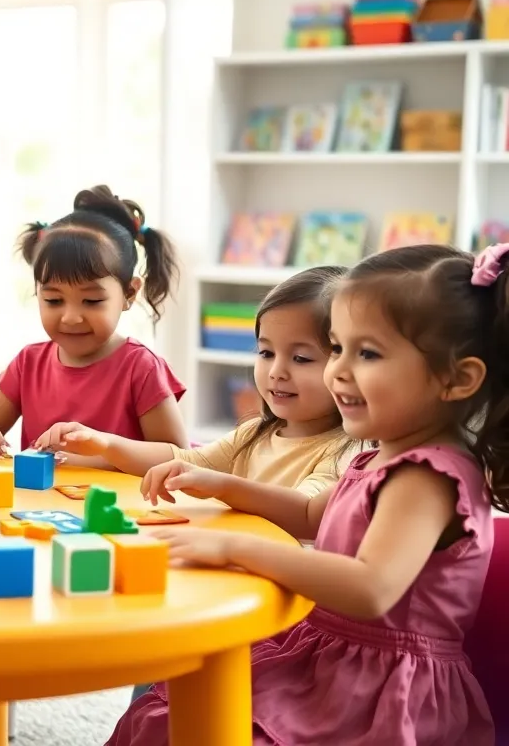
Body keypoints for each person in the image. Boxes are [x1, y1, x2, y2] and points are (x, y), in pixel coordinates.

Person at [108, 244, 502, 746]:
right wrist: (224, 484)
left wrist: (238, 548)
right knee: (170, 708)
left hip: (382, 690)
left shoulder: (426, 477)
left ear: (457, 378)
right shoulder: (382, 454)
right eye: (337, 348)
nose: (338, 370)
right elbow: (315, 515)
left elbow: (370, 588)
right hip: (332, 650)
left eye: (369, 353)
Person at [49, 266, 353, 498]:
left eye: (300, 358)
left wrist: (223, 486)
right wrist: (105, 443)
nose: (276, 371)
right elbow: (184, 458)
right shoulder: (253, 434)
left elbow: (304, 509)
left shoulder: (347, 453)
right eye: (266, 352)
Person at [0, 185, 186, 466]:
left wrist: (104, 448)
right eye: (53, 300)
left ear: (129, 293)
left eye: (90, 300)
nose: (71, 317)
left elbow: (179, 455)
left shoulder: (141, 368)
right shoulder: (29, 364)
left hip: (120, 508)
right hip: (39, 508)